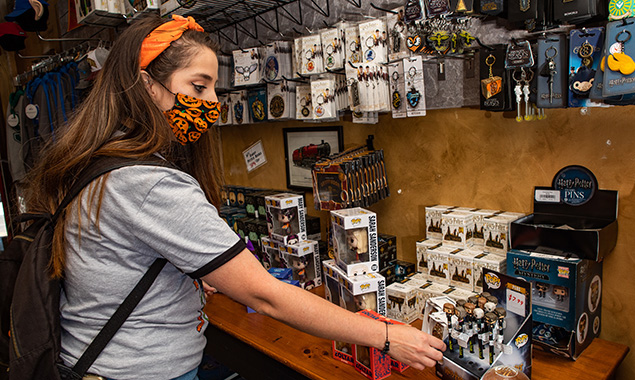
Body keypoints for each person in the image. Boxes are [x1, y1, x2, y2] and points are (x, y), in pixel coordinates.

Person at [24, 14, 445, 380]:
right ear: (147, 85)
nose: (212, 103)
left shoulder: (103, 157)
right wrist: (387, 336)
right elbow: (265, 295)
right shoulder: (148, 182)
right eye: (199, 85)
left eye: (213, 89)